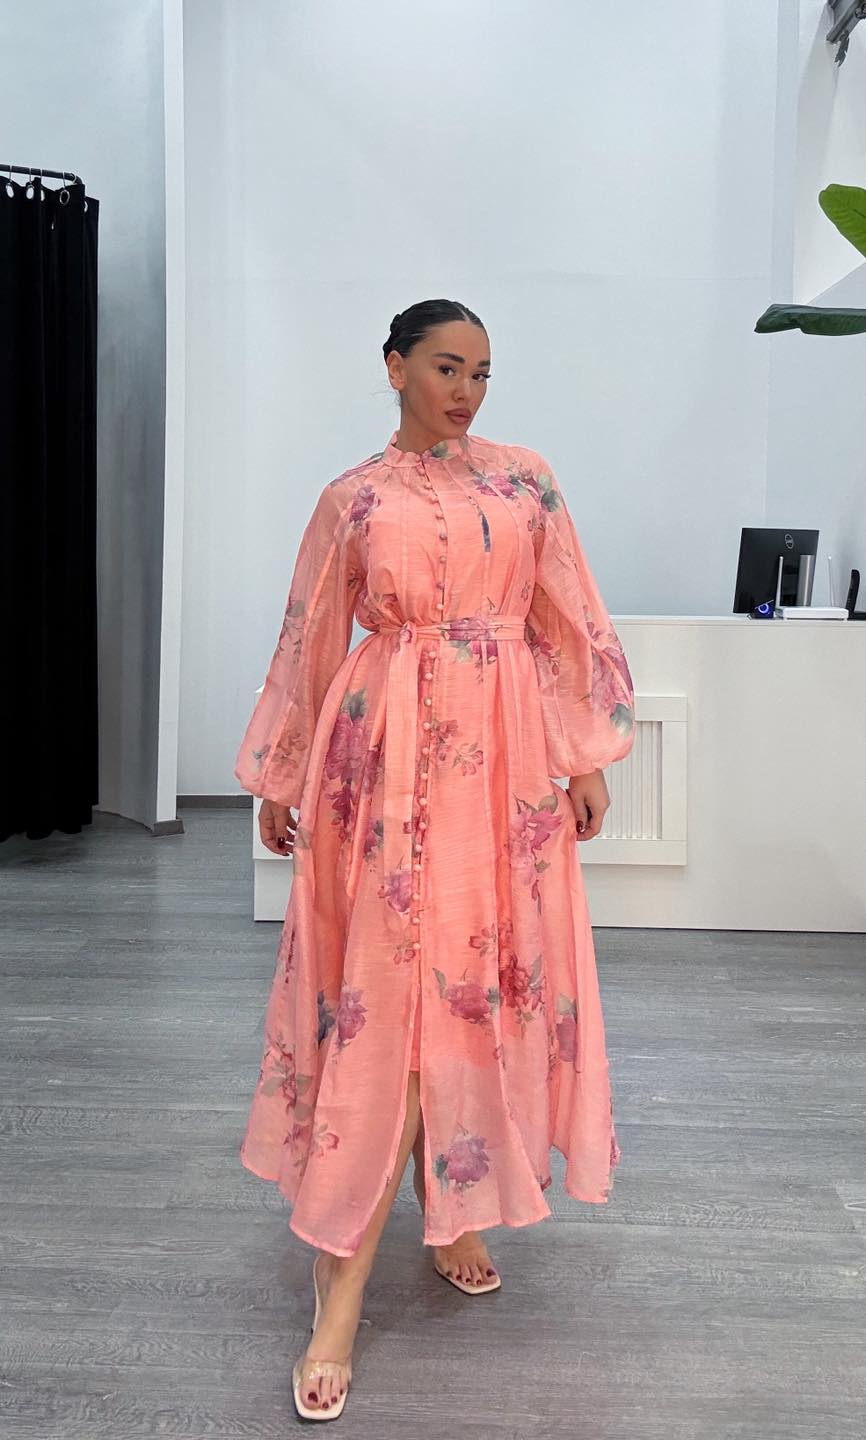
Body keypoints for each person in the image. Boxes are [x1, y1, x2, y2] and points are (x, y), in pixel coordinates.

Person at [233, 298, 636, 1421]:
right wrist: (280, 775)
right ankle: (342, 1288)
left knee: (475, 989)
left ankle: (451, 1203)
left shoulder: (525, 481)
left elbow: (567, 619)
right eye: (447, 367)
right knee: (388, 1001)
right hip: (382, 760)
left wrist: (584, 758)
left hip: (503, 767)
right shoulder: (353, 499)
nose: (466, 390)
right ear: (395, 368)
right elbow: (310, 635)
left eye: (482, 372)